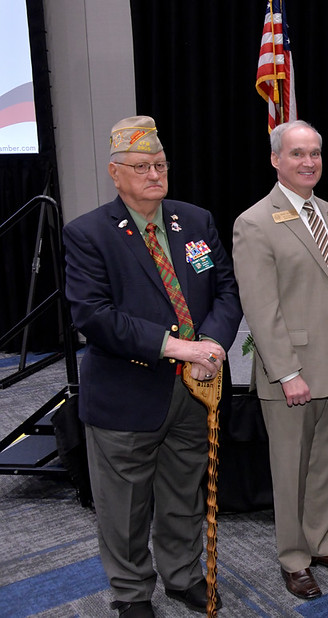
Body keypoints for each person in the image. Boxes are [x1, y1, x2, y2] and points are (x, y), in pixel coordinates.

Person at [63, 116, 242, 618]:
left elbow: (226, 290)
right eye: (140, 167)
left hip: (194, 389)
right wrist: (177, 348)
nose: (153, 174)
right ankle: (132, 593)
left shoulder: (196, 220)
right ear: (115, 174)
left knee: (184, 490)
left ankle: (183, 575)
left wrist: (211, 343)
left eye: (159, 165)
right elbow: (94, 317)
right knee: (124, 508)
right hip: (126, 392)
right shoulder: (88, 234)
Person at [232, 120, 328, 601]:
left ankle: (322, 542)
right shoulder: (253, 222)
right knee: (290, 470)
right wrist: (287, 371)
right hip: (290, 374)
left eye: (315, 153)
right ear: (275, 160)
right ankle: (293, 558)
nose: (309, 162)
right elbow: (261, 308)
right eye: (297, 154)